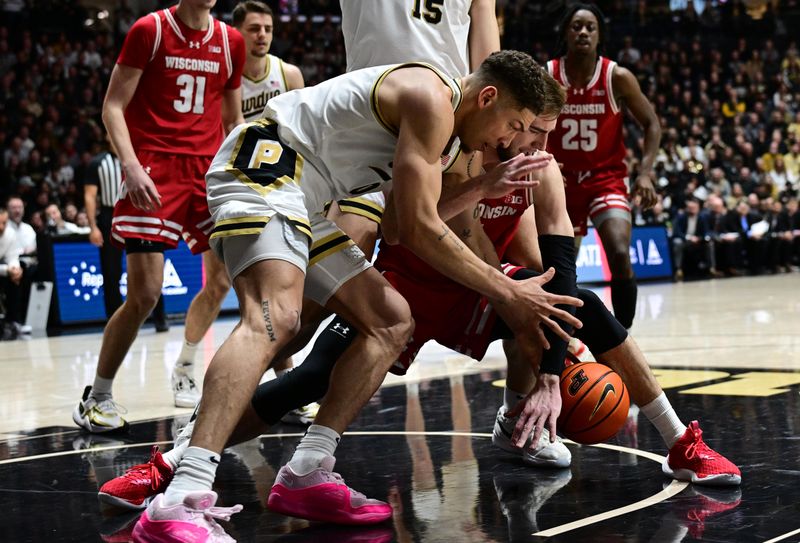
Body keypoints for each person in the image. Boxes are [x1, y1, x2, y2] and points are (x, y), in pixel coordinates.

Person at [132, 52, 582, 540]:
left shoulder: (451, 140)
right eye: (515, 124)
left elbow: (394, 223)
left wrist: (478, 190)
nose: (511, 140)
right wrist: (508, 291)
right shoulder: (432, 98)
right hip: (265, 167)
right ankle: (181, 497)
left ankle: (307, 471)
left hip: (305, 197)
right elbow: (414, 229)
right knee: (277, 318)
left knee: (392, 321)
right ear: (488, 97)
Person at [73, 0, 245, 430]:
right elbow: (112, 106)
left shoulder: (230, 41)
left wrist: (241, 176)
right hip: (154, 168)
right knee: (145, 294)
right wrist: (129, 164)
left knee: (237, 277)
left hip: (207, 172)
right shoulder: (149, 30)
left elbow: (234, 119)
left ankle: (194, 369)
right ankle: (97, 397)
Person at [546, 3, 661, 329]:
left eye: (590, 27)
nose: (583, 32)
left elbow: (652, 123)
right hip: (560, 182)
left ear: (599, 36)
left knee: (620, 253)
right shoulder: (549, 75)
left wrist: (646, 173)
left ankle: (622, 340)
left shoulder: (617, 76)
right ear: (566, 33)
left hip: (605, 178)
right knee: (559, 271)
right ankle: (562, 344)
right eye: (577, 26)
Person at [232, 0, 316, 425]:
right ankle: (192, 369)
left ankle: (284, 384)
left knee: (284, 292)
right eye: (253, 28)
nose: (262, 34)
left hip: (285, 186)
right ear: (238, 32)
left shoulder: (289, 75)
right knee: (234, 293)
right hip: (239, 187)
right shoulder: (229, 77)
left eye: (267, 27)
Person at [84, 138, 168, 330]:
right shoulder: (98, 163)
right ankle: (115, 323)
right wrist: (93, 226)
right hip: (109, 215)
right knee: (111, 272)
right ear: (108, 138)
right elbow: (89, 196)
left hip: (138, 213)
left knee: (150, 267)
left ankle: (160, 318)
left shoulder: (140, 157)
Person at [4, 196, 36, 332]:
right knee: (18, 274)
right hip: (7, 266)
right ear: (7, 210)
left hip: (22, 265)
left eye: (19, 207)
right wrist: (11, 269)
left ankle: (30, 318)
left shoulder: (28, 229)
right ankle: (14, 319)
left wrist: (14, 268)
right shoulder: (6, 230)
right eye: (13, 208)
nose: (17, 211)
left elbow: (28, 251)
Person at [671, 197, 718, 280]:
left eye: (694, 208)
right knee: (677, 242)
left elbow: (706, 231)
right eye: (690, 208)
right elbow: (677, 232)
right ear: (687, 208)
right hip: (685, 240)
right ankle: (678, 269)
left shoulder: (702, 217)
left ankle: (711, 268)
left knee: (710, 243)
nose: (692, 210)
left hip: (698, 240)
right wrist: (688, 238)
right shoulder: (681, 217)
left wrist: (700, 238)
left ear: (698, 208)